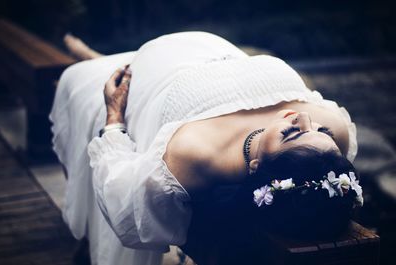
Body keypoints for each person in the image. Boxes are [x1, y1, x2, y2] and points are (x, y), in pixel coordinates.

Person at [50, 31, 361, 265]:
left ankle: (92, 61)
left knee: (77, 85)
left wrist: (114, 115)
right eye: (320, 131)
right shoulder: (334, 134)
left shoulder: (193, 155)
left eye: (292, 133)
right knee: (97, 72)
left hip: (154, 77)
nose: (304, 117)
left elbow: (120, 194)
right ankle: (93, 58)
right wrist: (315, 133)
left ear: (255, 168)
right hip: (216, 49)